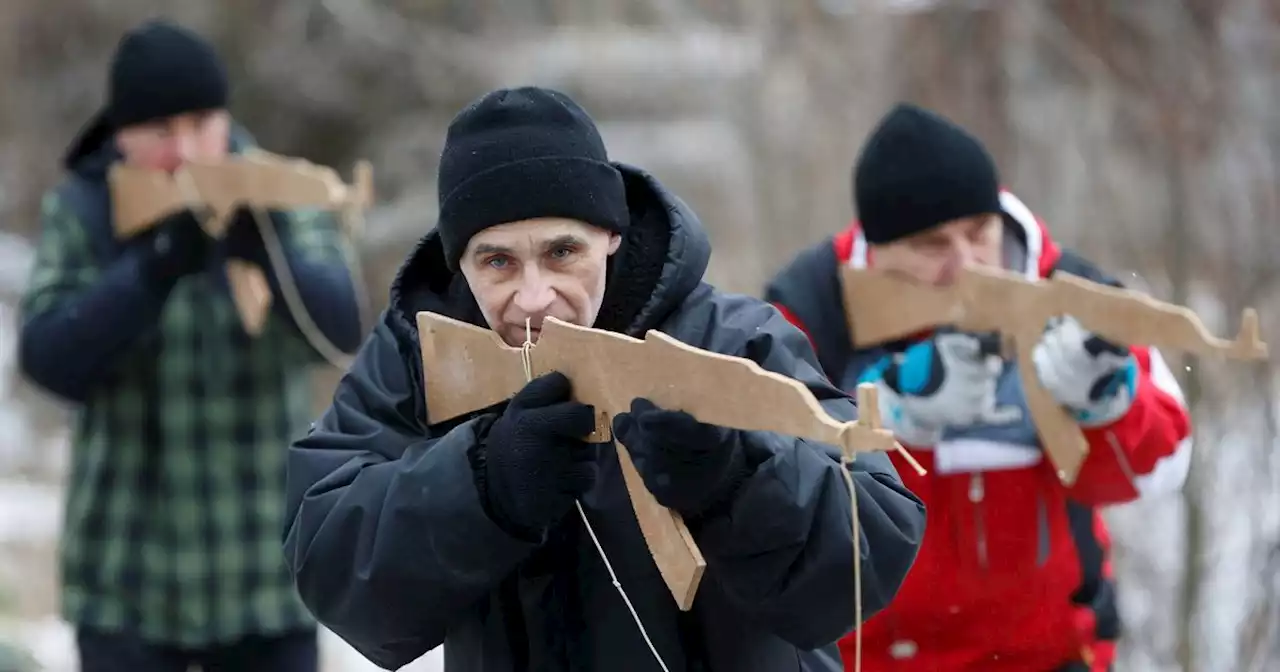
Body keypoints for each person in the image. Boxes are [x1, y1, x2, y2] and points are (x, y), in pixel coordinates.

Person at [281, 86, 927, 671]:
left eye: (563, 253)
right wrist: (485, 484)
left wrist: (737, 479)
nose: (534, 297)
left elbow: (873, 534)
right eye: (498, 262)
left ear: (610, 236)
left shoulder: (727, 339)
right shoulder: (419, 359)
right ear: (458, 265)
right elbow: (328, 554)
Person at [764, 102, 1193, 672]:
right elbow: (764, 490)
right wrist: (885, 417)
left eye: (977, 233)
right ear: (878, 246)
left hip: (1049, 655)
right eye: (932, 246)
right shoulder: (813, 310)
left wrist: (1108, 403)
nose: (965, 265)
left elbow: (1163, 468)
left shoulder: (1071, 291)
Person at [17, 18, 365, 672]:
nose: (188, 150)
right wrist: (154, 268)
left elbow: (342, 328)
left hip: (264, 579)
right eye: (163, 133)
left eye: (202, 124)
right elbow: (48, 357)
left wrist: (265, 252)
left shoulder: (276, 193)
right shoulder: (86, 209)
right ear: (123, 136)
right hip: (128, 584)